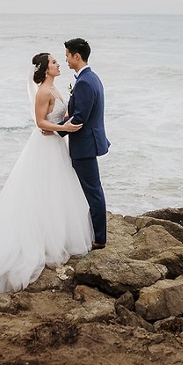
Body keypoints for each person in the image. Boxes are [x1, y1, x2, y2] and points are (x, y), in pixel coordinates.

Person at [0, 52, 94, 293]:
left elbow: (58, 116)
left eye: (58, 61)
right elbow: (40, 123)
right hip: (45, 146)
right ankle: (38, 242)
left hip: (56, 145)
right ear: (45, 69)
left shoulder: (56, 89)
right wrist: (64, 126)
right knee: (40, 190)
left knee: (56, 191)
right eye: (54, 62)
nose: (58, 63)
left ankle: (57, 236)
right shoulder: (43, 92)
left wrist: (68, 121)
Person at [62, 38, 110, 249]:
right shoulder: (92, 78)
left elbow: (79, 118)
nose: (65, 60)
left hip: (84, 146)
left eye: (67, 56)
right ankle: (92, 231)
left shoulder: (84, 82)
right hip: (88, 143)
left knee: (93, 191)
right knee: (92, 190)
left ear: (76, 56)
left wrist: (55, 130)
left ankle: (99, 238)